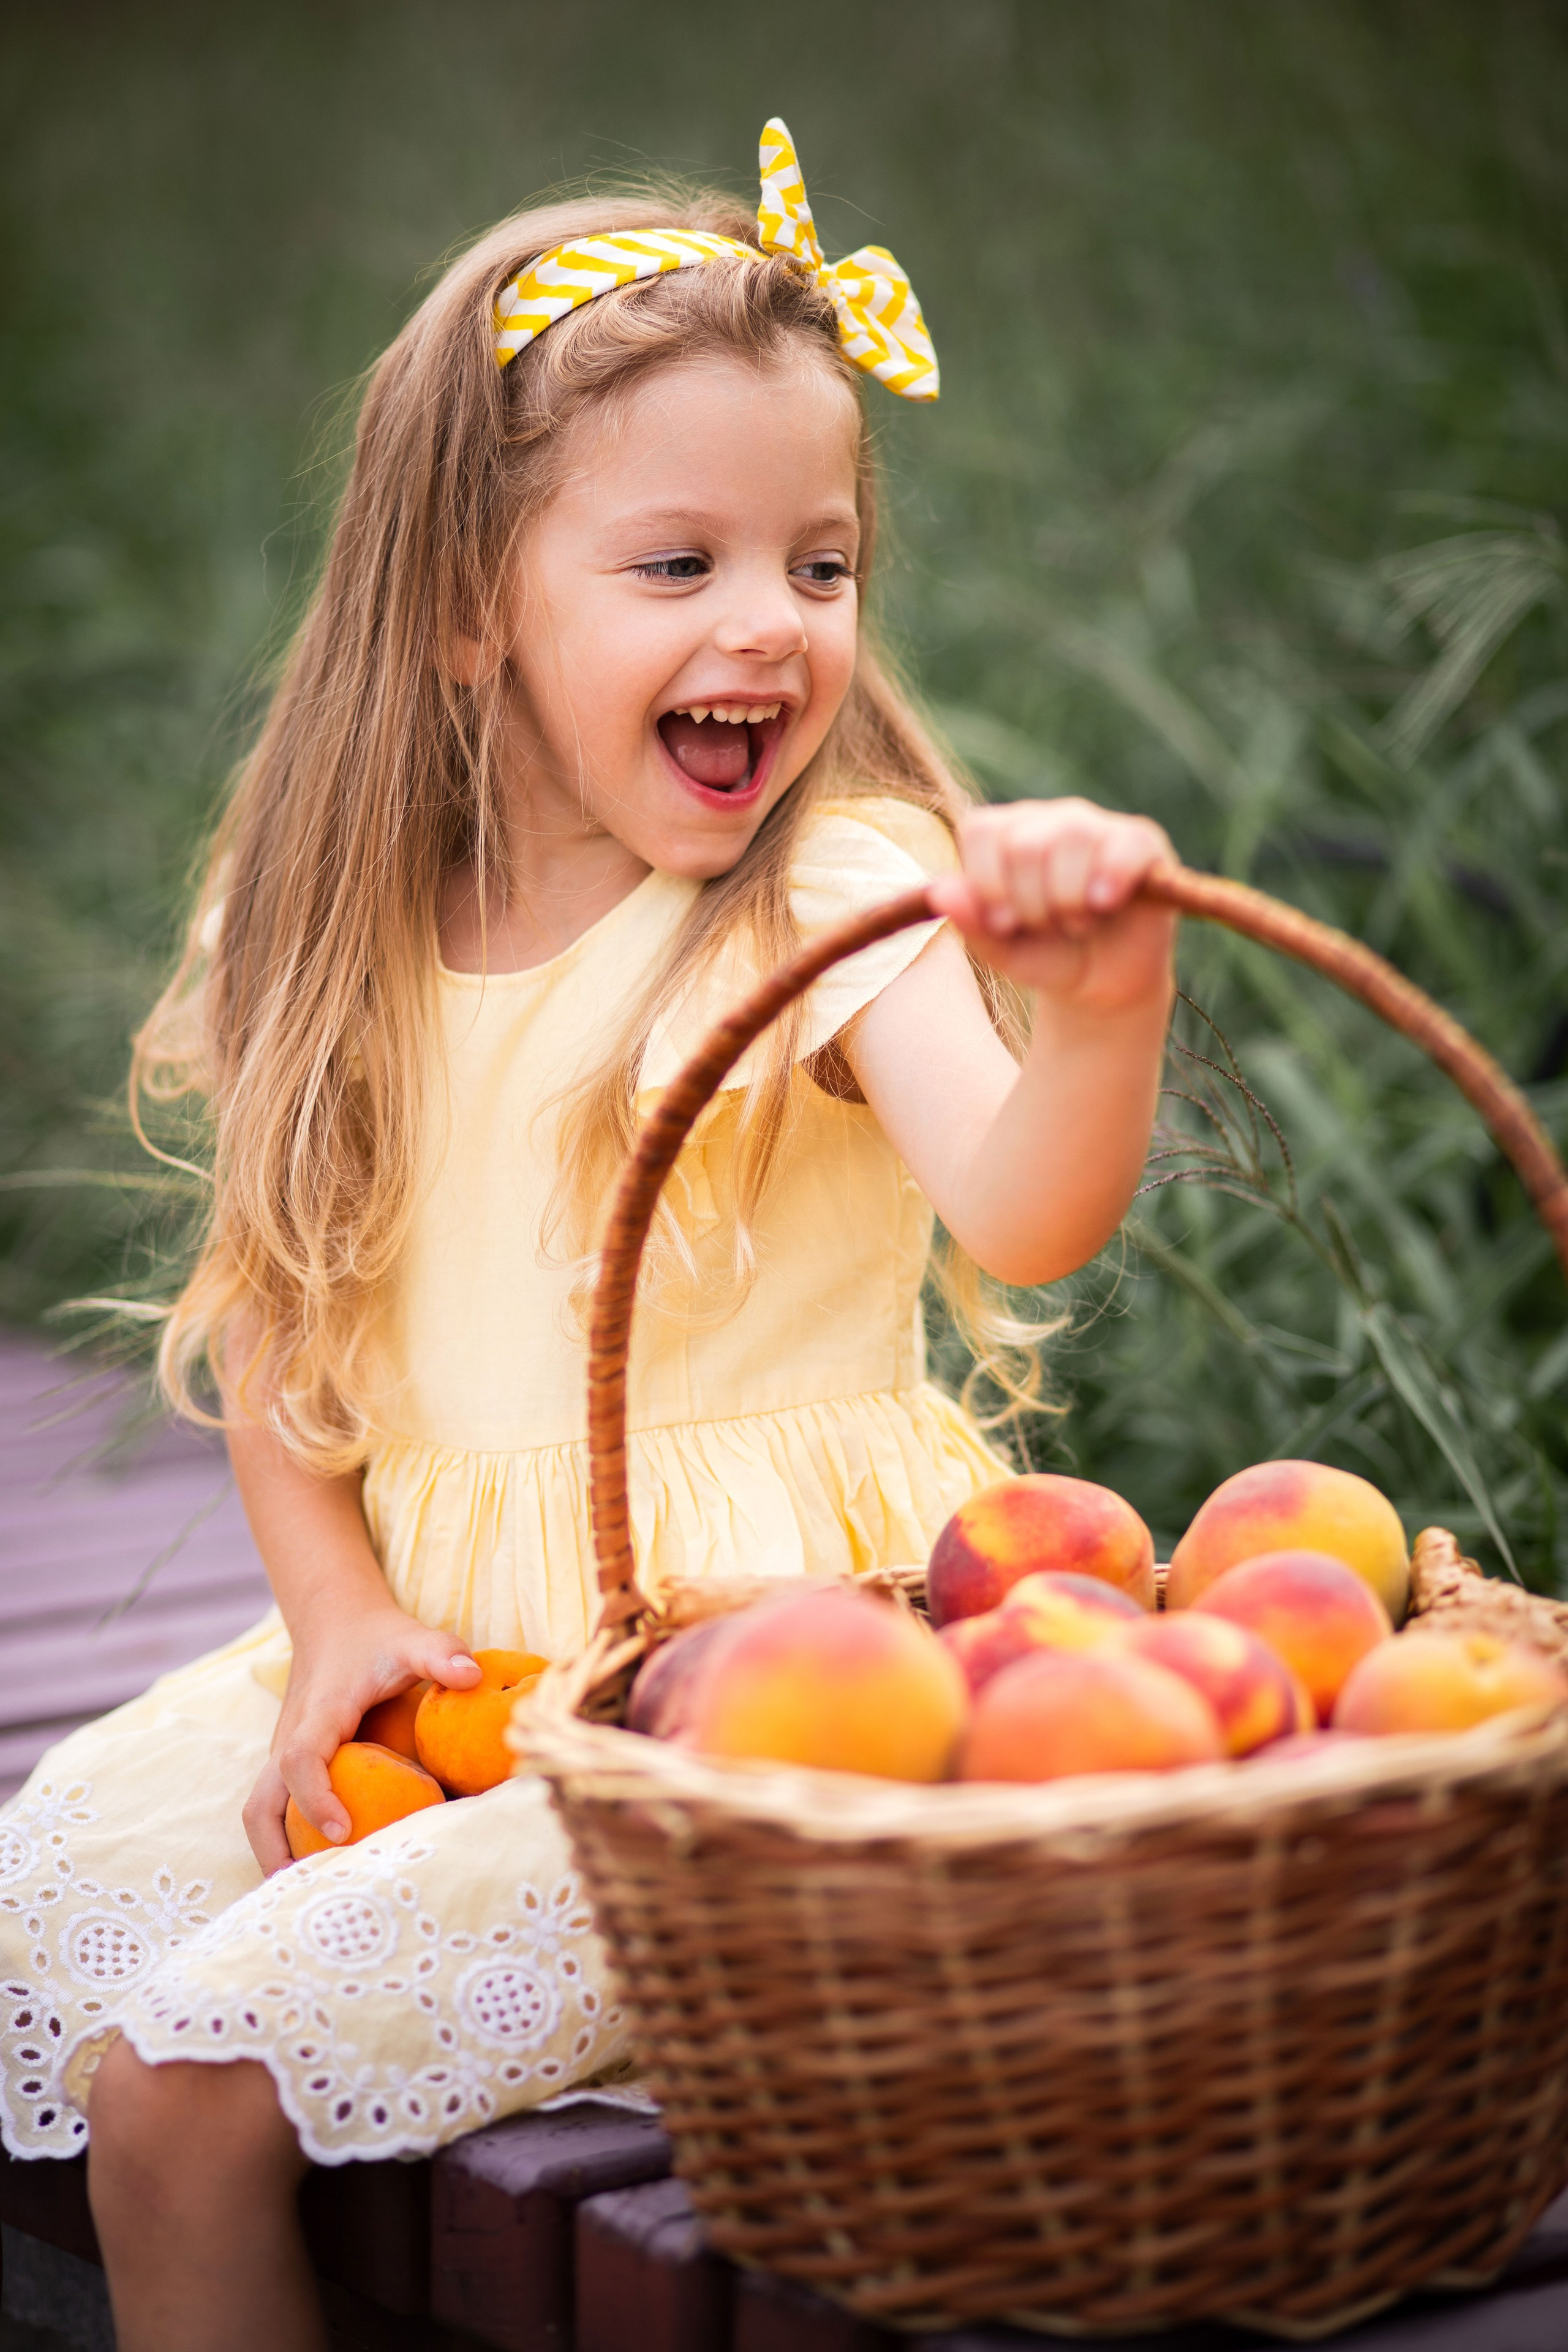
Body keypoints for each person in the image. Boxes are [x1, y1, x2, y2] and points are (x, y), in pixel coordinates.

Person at [0, 121, 1175, 2350]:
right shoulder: (320, 937)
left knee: (175, 2097)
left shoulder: (826, 906)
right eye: (681, 566)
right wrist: (334, 1610)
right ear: (466, 601)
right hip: (446, 1683)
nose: (772, 625)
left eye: (820, 568)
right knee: (58, 1951)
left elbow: (1026, 1214)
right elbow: (283, 1336)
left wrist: (1102, 1005)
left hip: (737, 1695)